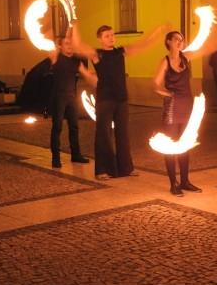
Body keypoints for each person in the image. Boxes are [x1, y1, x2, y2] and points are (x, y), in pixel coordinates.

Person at [75, 22, 168, 180]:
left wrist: (158, 31)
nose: (111, 38)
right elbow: (78, 46)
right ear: (100, 39)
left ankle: (126, 168)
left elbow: (143, 44)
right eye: (107, 36)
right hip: (104, 99)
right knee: (103, 135)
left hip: (121, 99)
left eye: (112, 35)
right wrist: (74, 26)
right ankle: (102, 170)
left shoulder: (121, 52)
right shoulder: (97, 54)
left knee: (123, 134)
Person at [152, 31, 203, 196]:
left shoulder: (186, 58)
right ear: (169, 42)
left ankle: (185, 181)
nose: (180, 42)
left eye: (182, 39)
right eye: (176, 39)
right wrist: (165, 92)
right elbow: (155, 84)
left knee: (185, 145)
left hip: (186, 106)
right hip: (172, 108)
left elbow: (202, 46)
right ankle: (173, 183)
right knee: (171, 146)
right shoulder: (165, 61)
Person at [47, 35, 91, 168]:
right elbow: (51, 49)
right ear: (60, 46)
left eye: (70, 43)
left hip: (71, 97)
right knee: (57, 127)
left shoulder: (75, 61)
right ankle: (55, 157)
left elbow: (87, 74)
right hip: (59, 98)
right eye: (66, 43)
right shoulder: (56, 58)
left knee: (74, 126)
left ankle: (76, 154)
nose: (70, 45)